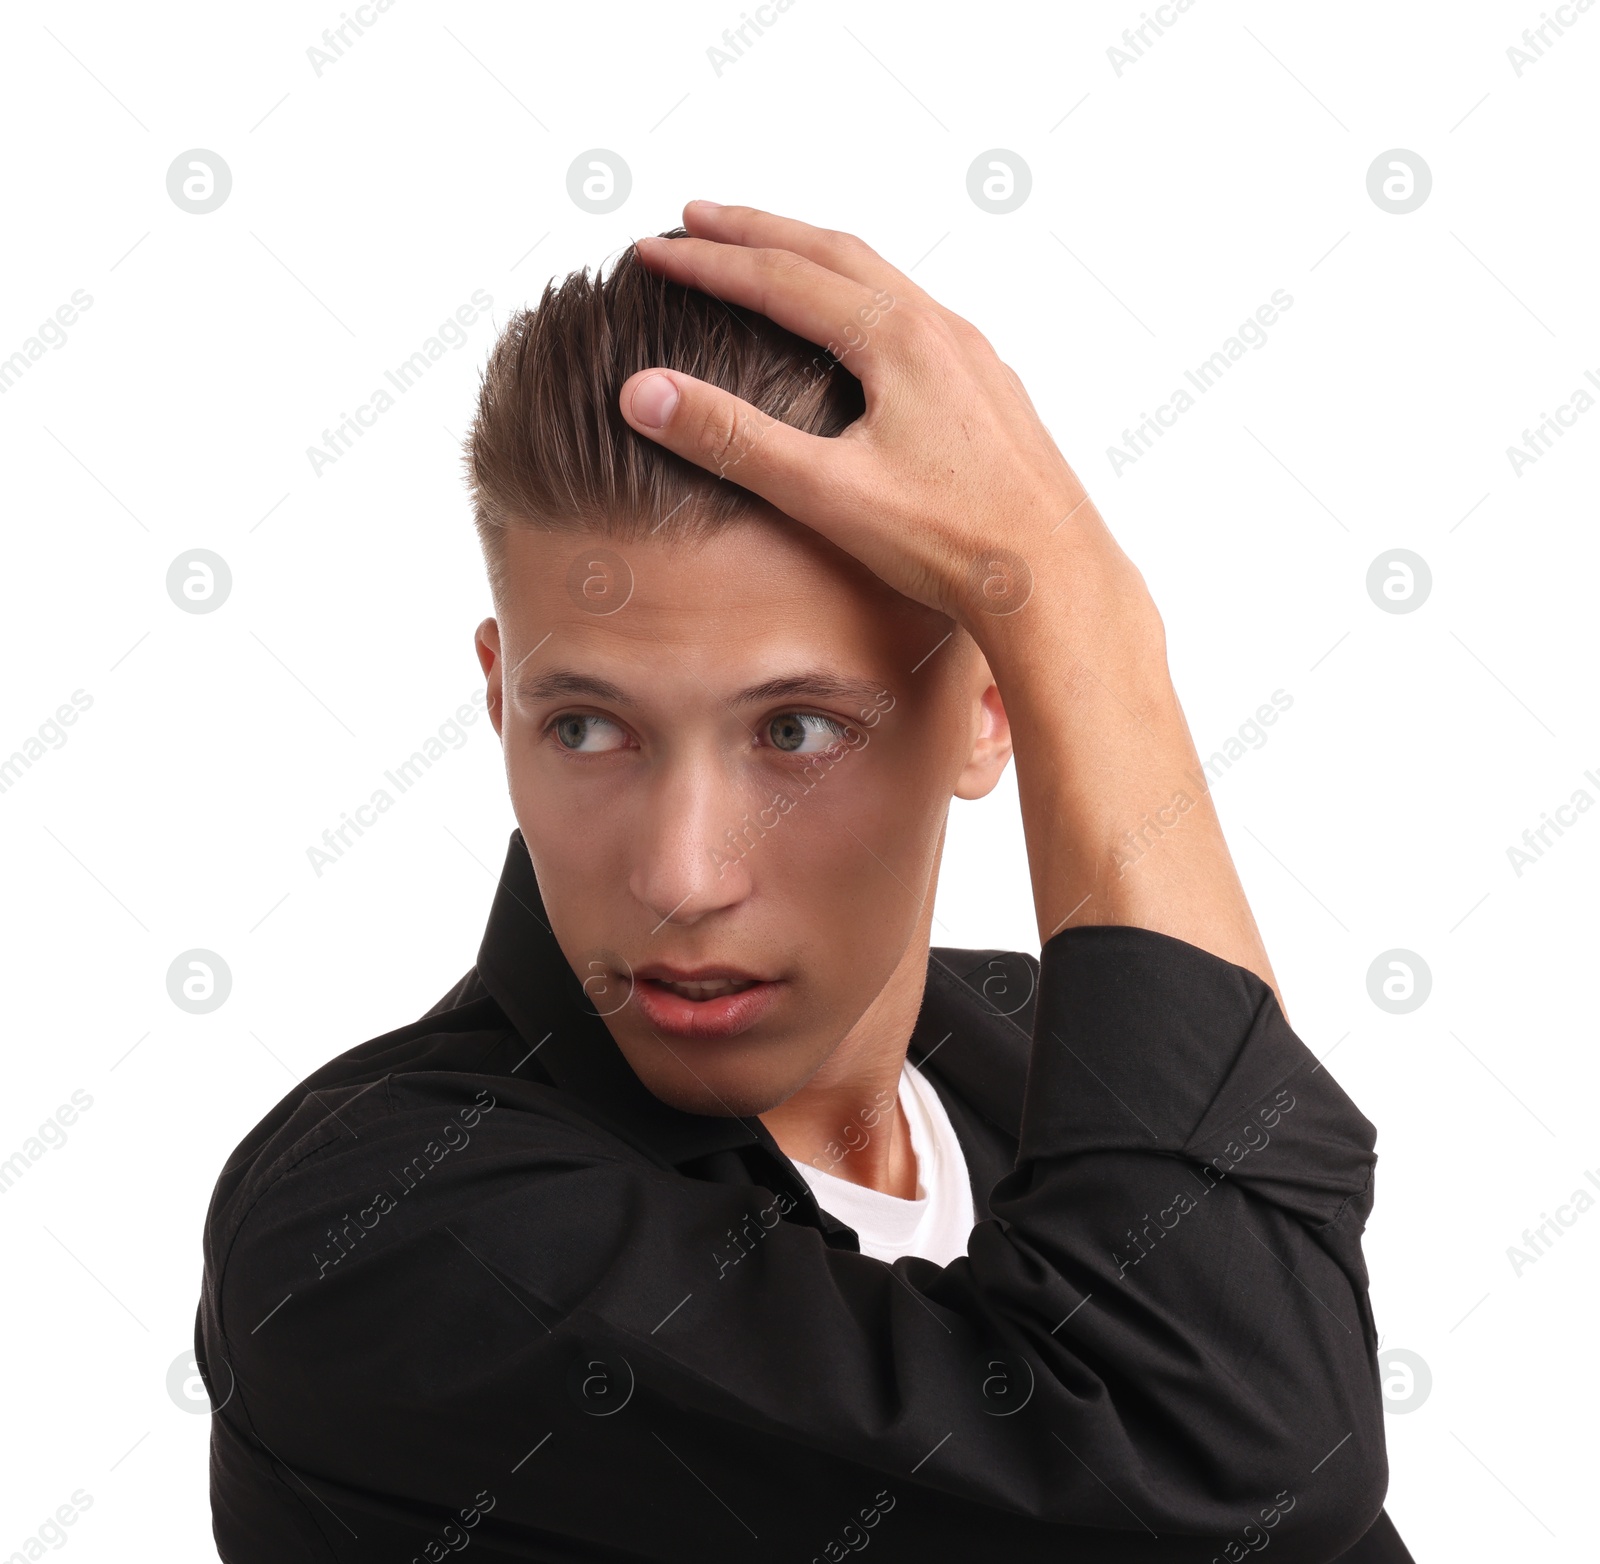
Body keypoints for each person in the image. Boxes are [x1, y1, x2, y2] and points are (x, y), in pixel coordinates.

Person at [195, 203, 1413, 1561]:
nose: (678, 875)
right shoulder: (381, 1232)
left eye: (796, 731)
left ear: (994, 708)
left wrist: (1055, 608)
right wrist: (1085, 605)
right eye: (586, 726)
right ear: (498, 698)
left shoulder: (1046, 1068)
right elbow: (1234, 1460)